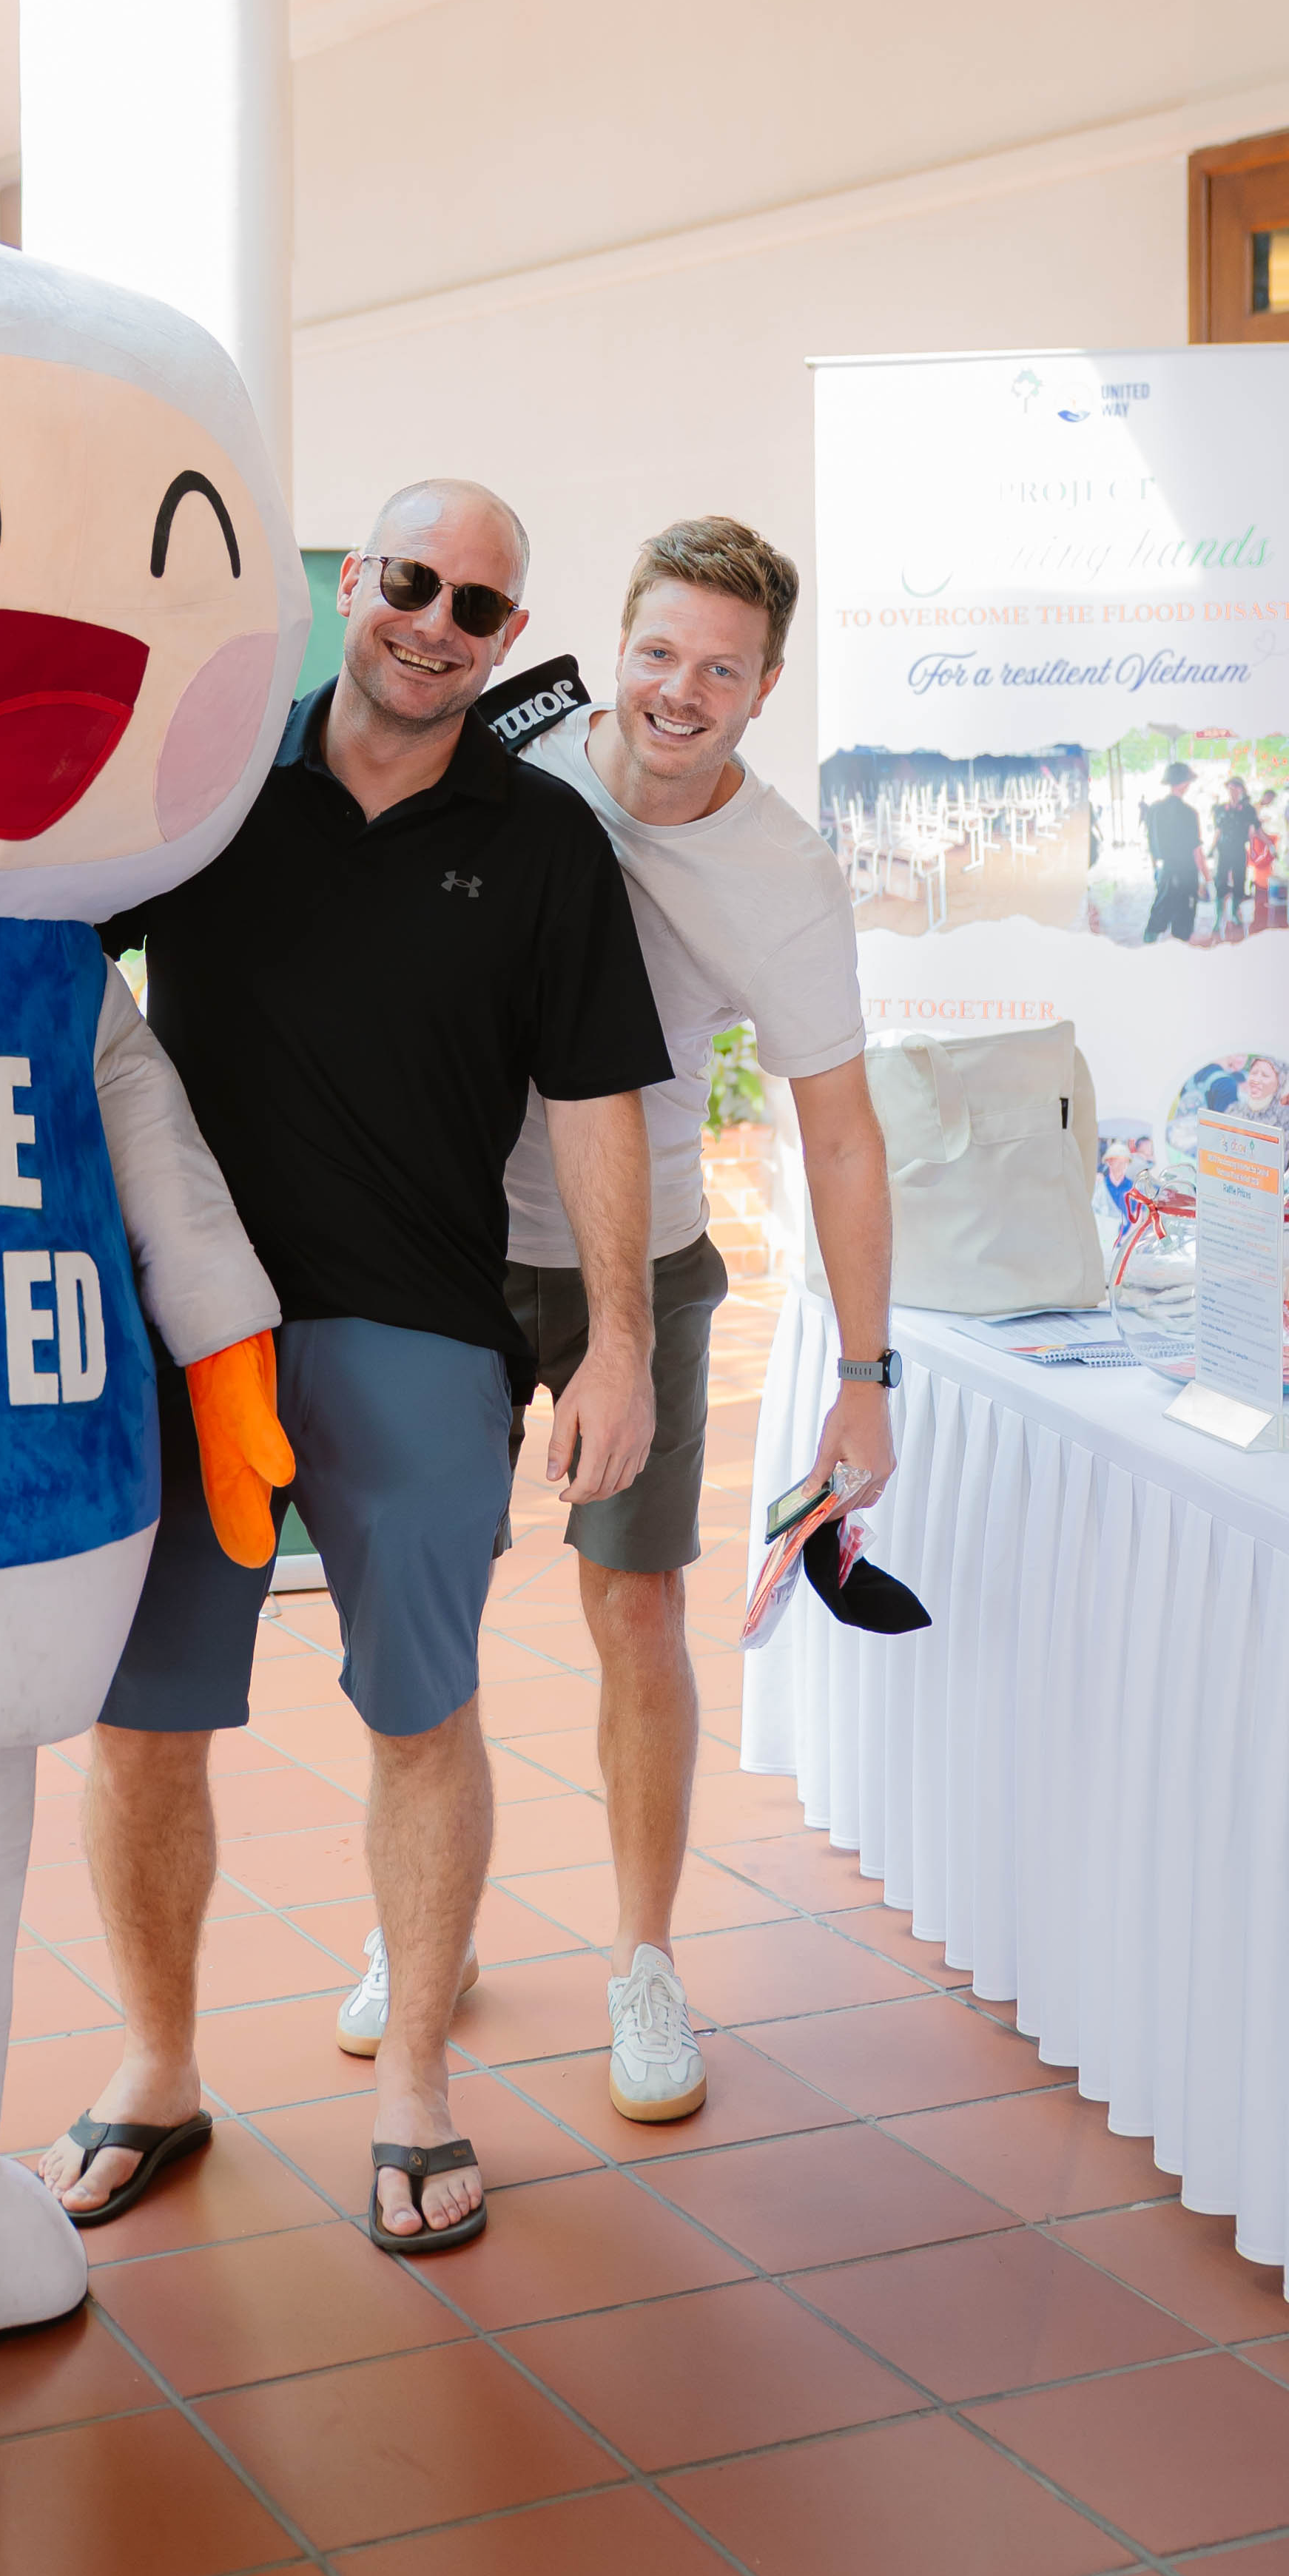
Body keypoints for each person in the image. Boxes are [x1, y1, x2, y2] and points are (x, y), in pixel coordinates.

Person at [37, 479, 669, 2252]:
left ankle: (412, 2084)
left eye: (477, 606)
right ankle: (157, 2068)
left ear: (506, 634)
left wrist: (617, 1343)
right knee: (141, 1725)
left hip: (418, 1329)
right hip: (186, 1327)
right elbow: (34, 956)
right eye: (410, 580)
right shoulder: (209, 790)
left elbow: (595, 1101)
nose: (433, 623)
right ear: (353, 586)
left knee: (421, 1711)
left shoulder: (542, 843)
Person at [483, 516, 895, 2121]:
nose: (679, 690)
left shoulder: (782, 876)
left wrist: (864, 1373)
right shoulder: (513, 768)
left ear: (765, 688)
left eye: (721, 670)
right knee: (419, 1598)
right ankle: (415, 1916)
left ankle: (643, 1960)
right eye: (657, 652)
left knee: (636, 1609)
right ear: (618, 645)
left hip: (643, 1264)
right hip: (449, 1247)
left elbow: (838, 1134)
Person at [1141, 764, 1205, 945]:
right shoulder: (1189, 813)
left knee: (1159, 913)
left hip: (1165, 871)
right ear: (1184, 784)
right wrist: (1207, 879)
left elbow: (1150, 842)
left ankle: (1149, 945)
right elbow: (1197, 852)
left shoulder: (1154, 809)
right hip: (1186, 873)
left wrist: (1156, 869)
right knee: (1184, 919)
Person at [1214, 777, 1260, 940]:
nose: (1233, 791)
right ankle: (1219, 917)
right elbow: (1218, 830)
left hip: (1239, 849)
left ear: (1242, 790)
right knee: (1220, 881)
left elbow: (1254, 831)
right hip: (1223, 850)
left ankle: (1235, 913)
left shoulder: (1248, 810)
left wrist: (1256, 849)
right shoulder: (1221, 809)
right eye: (1230, 788)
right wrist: (1212, 848)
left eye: (1236, 788)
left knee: (1240, 881)